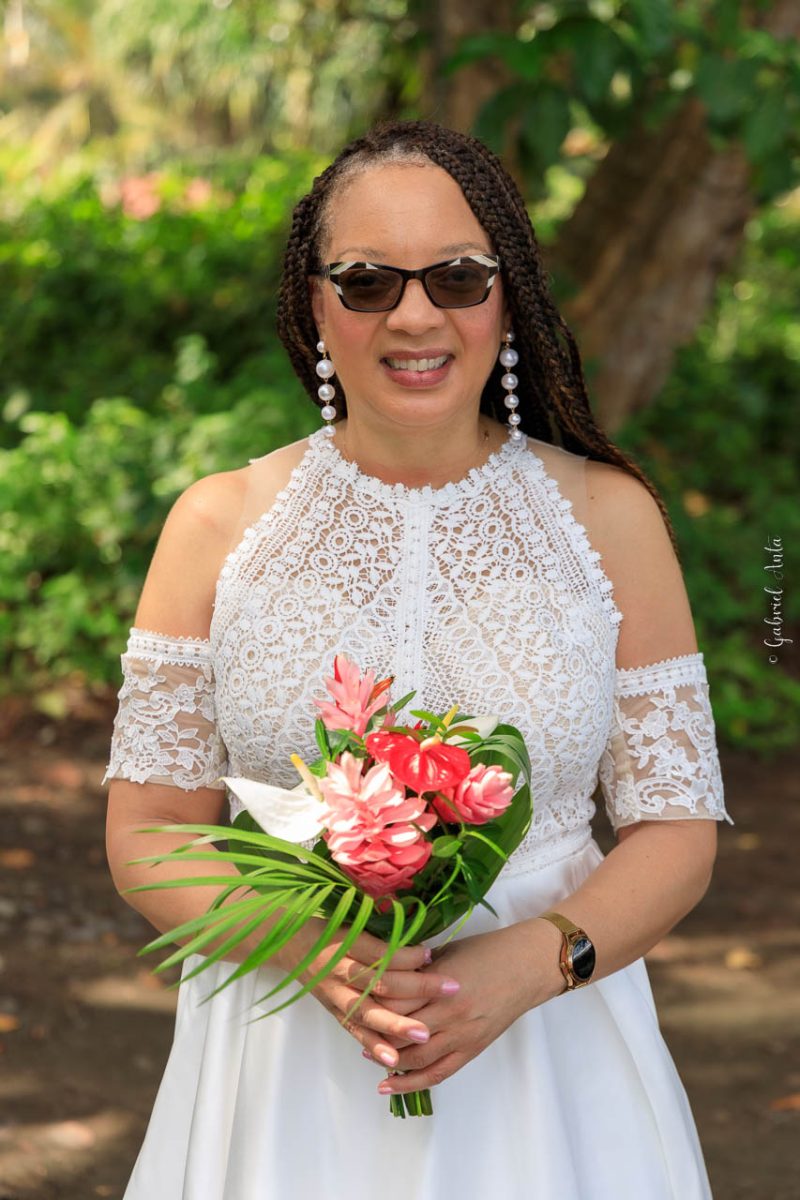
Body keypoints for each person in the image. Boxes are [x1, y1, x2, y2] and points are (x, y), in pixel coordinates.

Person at [104, 118, 732, 1199]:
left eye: (454, 275)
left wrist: (537, 963)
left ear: (506, 293)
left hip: (551, 1059)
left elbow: (674, 828)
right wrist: (313, 951)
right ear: (313, 303)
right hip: (285, 1057)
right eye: (364, 282)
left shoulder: (609, 519)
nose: (413, 314)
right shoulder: (215, 528)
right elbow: (150, 834)